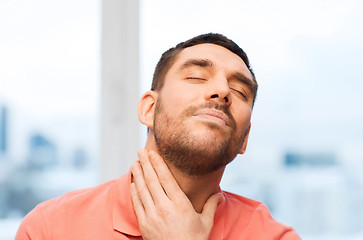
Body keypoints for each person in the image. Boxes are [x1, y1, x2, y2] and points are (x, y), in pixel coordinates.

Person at [16, 33, 301, 239]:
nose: (223, 92)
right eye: (196, 77)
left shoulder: (273, 236)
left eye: (240, 92)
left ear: (244, 138)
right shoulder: (50, 228)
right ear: (149, 109)